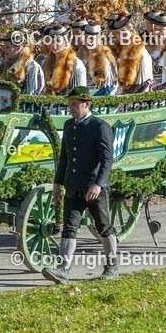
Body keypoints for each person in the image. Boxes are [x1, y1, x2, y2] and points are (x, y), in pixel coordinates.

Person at [43, 87, 117, 284]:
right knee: (69, 228)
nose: (71, 108)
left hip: (93, 188)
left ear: (86, 104)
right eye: (70, 105)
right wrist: (58, 183)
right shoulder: (69, 125)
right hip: (73, 186)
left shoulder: (100, 127)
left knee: (103, 227)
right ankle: (63, 269)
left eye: (74, 105)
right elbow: (64, 157)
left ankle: (112, 266)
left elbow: (107, 160)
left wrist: (99, 184)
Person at [109, 13, 153, 94]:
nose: (120, 36)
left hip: (138, 94)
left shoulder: (141, 52)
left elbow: (144, 82)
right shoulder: (119, 50)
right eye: (117, 33)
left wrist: (124, 94)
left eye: (123, 32)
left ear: (131, 31)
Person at [41, 24, 87, 95]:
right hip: (47, 104)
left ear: (65, 42)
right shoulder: (46, 62)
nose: (54, 44)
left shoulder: (76, 64)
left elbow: (79, 94)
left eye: (58, 41)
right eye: (52, 41)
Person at [84, 23, 118, 96]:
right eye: (87, 38)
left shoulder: (104, 57)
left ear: (99, 39)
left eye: (92, 38)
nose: (89, 41)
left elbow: (109, 87)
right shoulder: (83, 54)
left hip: (102, 97)